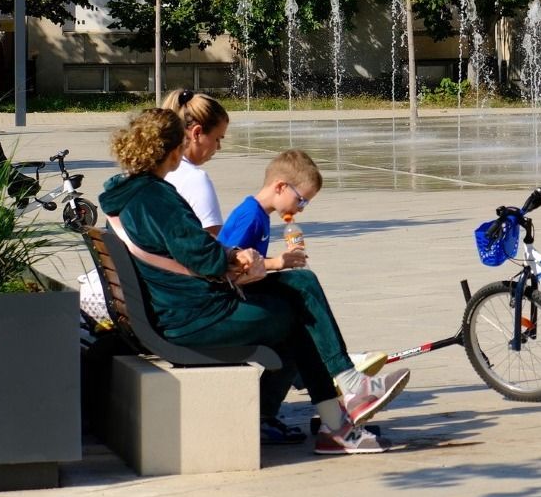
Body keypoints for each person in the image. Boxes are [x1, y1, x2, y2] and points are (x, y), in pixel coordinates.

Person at [99, 108, 410, 454]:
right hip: (192, 317)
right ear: (173, 150)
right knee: (297, 316)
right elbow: (201, 255)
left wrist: (232, 256)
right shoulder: (155, 197)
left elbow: (188, 249)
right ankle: (340, 416)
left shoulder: (127, 191)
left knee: (301, 284)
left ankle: (346, 400)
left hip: (177, 306)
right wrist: (236, 257)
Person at [218, 147, 389, 441]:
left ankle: (268, 415)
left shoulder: (258, 215)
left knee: (300, 321)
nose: (300, 208)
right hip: (227, 303)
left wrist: (275, 265)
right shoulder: (250, 217)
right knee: (304, 285)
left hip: (237, 296)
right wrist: (277, 263)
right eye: (301, 200)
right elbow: (226, 268)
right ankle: (347, 379)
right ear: (280, 186)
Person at [162, 89, 228, 235]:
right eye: (217, 138)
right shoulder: (194, 179)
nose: (219, 147)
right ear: (196, 133)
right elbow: (214, 245)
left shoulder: (155, 168)